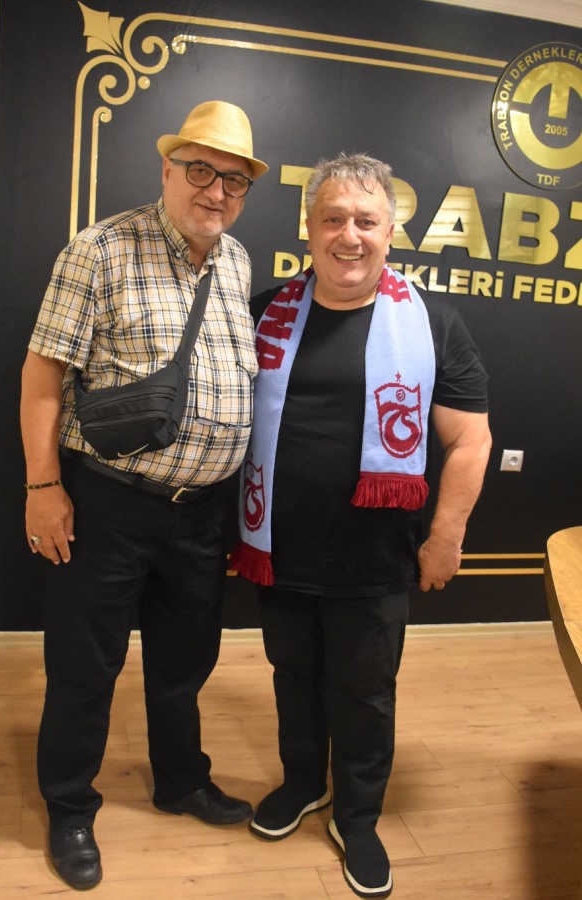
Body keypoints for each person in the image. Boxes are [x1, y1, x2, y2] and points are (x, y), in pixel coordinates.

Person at [20, 100, 268, 891]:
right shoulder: (99, 250)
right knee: (84, 665)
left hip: (201, 514)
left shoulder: (236, 262)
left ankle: (180, 781)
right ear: (167, 169)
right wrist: (43, 486)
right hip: (108, 504)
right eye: (200, 171)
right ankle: (69, 805)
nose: (215, 191)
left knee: (183, 662)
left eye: (233, 180)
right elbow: (42, 378)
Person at [231, 153, 491, 898]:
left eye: (366, 221)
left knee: (365, 692)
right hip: (278, 547)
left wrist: (446, 538)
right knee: (293, 677)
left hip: (375, 557)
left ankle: (359, 815)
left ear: (391, 231)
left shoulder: (432, 323)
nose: (350, 235)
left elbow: (470, 441)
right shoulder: (264, 312)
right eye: (333, 218)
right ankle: (303, 783)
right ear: (309, 228)